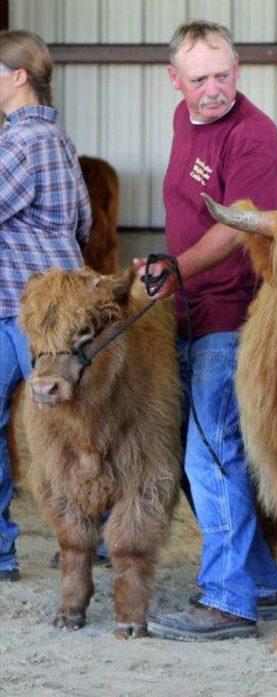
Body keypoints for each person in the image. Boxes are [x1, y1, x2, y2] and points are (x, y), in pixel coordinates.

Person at [138, 20, 277, 641]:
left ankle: (228, 601)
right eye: (198, 79)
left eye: (223, 75)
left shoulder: (254, 138)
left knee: (212, 452)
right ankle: (262, 581)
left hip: (233, 315)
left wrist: (176, 269)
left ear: (238, 69)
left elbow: (241, 228)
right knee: (193, 453)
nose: (213, 90)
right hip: (185, 310)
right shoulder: (184, 121)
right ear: (175, 81)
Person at [0, 30, 92, 583]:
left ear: (17, 77)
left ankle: (7, 551)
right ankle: (86, 541)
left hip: (24, 311)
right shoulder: (58, 141)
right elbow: (83, 220)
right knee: (73, 423)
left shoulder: (21, 144)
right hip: (44, 307)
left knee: (63, 425)